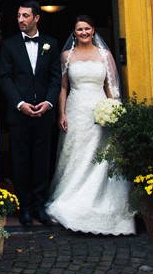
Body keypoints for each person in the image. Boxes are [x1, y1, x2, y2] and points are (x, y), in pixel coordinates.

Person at [44, 14, 135, 235]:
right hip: (76, 110)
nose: (83, 32)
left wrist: (114, 110)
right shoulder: (67, 56)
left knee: (100, 155)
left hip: (99, 110)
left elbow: (111, 86)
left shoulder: (105, 55)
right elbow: (63, 87)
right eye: (79, 29)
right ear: (74, 33)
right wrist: (61, 113)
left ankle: (99, 198)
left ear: (93, 30)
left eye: (87, 28)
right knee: (75, 154)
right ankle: (71, 197)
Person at [0, 0, 61, 226]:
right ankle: (24, 207)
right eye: (18, 16)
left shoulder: (51, 44)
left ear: (36, 18)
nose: (20, 20)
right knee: (20, 161)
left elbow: (56, 78)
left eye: (25, 16)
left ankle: (39, 206)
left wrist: (49, 103)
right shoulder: (9, 45)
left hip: (44, 113)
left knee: (42, 160)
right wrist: (20, 103)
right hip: (19, 115)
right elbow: (5, 78)